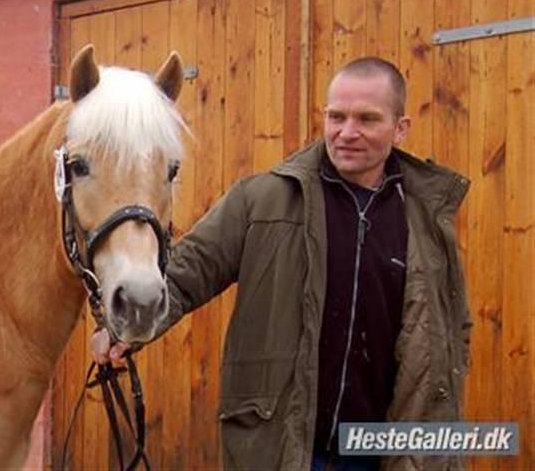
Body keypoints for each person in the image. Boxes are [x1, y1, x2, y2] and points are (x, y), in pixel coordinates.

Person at [91, 57, 472, 471]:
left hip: (385, 451)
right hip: (286, 446)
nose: (347, 132)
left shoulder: (426, 216)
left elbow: (452, 325)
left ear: (400, 128)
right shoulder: (263, 199)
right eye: (336, 116)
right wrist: (121, 329)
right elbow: (186, 273)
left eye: (367, 119)